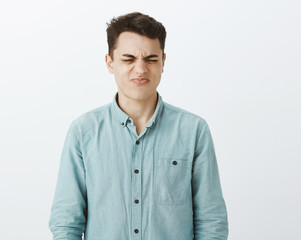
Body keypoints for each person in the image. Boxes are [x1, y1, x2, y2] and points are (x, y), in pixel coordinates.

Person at [49, 11, 228, 240]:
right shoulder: (84, 132)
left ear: (163, 62)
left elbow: (211, 222)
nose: (141, 69)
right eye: (129, 59)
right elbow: (66, 224)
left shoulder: (193, 131)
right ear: (110, 62)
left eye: (151, 59)